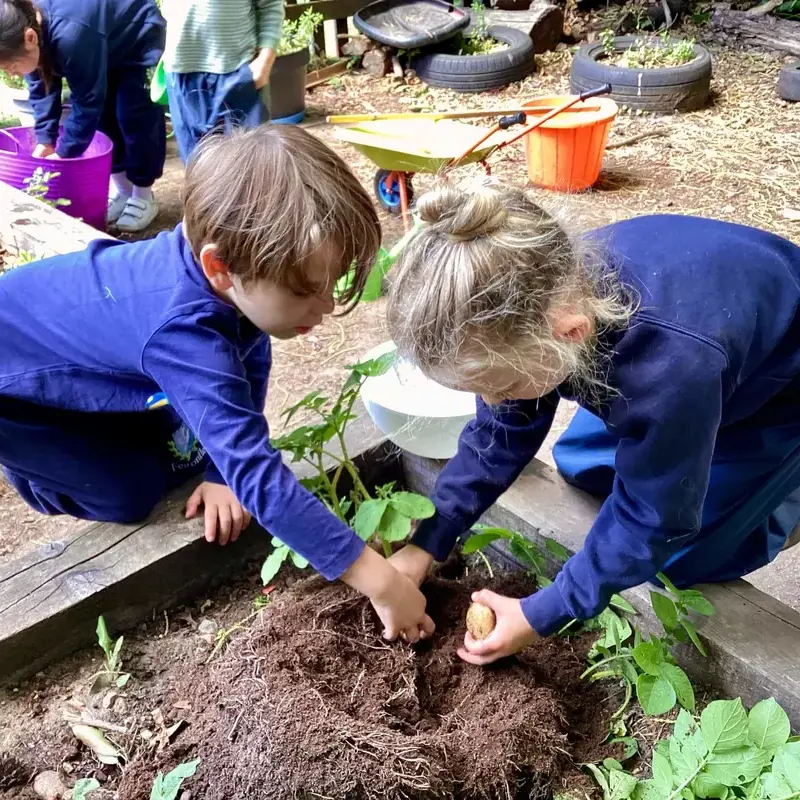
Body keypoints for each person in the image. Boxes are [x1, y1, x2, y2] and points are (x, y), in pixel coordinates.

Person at [0, 125, 435, 644]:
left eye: (331, 284)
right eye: (304, 291)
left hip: (86, 349)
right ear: (220, 267)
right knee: (129, 493)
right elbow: (258, 474)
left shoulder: (233, 281)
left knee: (188, 450)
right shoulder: (185, 336)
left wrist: (219, 470)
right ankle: (35, 472)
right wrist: (379, 581)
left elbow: (249, 361)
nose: (323, 308)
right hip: (15, 390)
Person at [385, 181, 800, 664]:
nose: (492, 402)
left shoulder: (670, 367)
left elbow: (657, 520)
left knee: (679, 556)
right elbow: (502, 431)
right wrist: (428, 541)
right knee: (581, 466)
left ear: (569, 335)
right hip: (701, 361)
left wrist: (545, 611)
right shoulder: (538, 288)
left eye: (502, 386)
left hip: (777, 390)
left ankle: (787, 503)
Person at [0, 0, 166, 233]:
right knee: (103, 121)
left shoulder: (70, 35)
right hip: (100, 42)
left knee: (134, 118)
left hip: (137, 38)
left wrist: (64, 153)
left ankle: (143, 195)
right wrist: (45, 141)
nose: (12, 74)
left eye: (12, 66)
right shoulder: (26, 32)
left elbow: (87, 100)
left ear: (30, 38)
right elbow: (42, 89)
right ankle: (123, 191)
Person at [161, 0, 283, 163]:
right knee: (197, 166)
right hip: (181, 73)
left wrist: (265, 62)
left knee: (251, 164)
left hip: (238, 72)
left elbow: (270, 4)